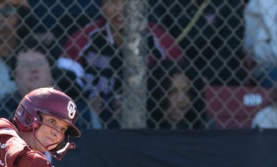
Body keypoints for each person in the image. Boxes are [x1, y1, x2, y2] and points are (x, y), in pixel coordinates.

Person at [56, 0, 183, 128]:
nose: (120, 9)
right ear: (102, 7)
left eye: (127, 2)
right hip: (93, 124)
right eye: (112, 2)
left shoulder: (161, 43)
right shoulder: (83, 39)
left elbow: (179, 93)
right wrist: (84, 104)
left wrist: (146, 107)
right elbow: (62, 84)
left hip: (150, 124)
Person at [0, 38, 101, 130]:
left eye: (39, 63)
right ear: (14, 75)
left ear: (51, 71)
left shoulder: (80, 113)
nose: (33, 69)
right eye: (25, 65)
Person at [151, 0, 246, 86]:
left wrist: (206, 75)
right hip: (171, 64)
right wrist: (176, 72)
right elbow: (157, 35)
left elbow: (231, 43)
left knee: (231, 73)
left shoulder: (229, 3)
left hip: (215, 69)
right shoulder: (161, 3)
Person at [146, 60, 209, 129]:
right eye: (172, 91)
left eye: (187, 92)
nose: (181, 99)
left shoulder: (205, 126)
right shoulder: (142, 126)